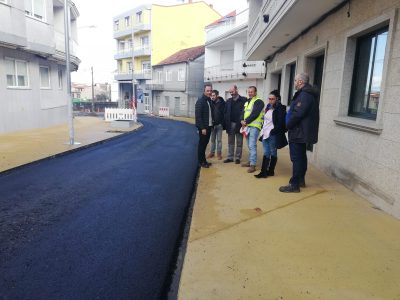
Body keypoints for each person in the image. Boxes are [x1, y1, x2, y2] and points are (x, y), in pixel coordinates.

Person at [279, 73, 319, 192]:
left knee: (297, 159)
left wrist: (287, 125)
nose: (294, 82)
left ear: (301, 82)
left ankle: (294, 185)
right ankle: (300, 180)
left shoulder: (304, 95)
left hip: (298, 132)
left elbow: (297, 114)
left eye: (295, 80)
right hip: (301, 132)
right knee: (301, 157)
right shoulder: (307, 94)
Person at [254, 90, 288, 178]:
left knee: (272, 152)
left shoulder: (280, 108)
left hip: (273, 134)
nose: (270, 101)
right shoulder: (268, 107)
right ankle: (264, 172)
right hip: (265, 133)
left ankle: (269, 171)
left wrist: (273, 131)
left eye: (272, 99)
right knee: (266, 152)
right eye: (269, 99)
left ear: (277, 99)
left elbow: (281, 123)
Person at [241, 86, 264, 173]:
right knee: (249, 145)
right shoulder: (247, 102)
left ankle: (253, 165)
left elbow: (255, 114)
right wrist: (241, 120)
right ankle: (250, 161)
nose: (250, 93)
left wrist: (245, 121)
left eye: (252, 92)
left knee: (252, 145)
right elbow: (242, 112)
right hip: (246, 126)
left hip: (254, 126)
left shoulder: (259, 102)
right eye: (249, 92)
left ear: (255, 92)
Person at [223, 85, 247, 164]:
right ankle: (230, 157)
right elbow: (225, 112)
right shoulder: (228, 101)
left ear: (236, 90)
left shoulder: (244, 100)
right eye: (230, 92)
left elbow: (246, 112)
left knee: (239, 142)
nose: (231, 94)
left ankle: (237, 158)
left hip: (239, 124)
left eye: (232, 92)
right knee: (230, 142)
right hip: (230, 124)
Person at [195, 84, 214, 168]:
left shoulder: (209, 100)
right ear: (204, 91)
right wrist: (202, 128)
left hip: (209, 126)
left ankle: (204, 160)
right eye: (208, 91)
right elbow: (198, 116)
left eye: (210, 90)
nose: (209, 92)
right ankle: (201, 162)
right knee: (202, 145)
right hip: (204, 128)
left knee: (205, 144)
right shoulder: (200, 101)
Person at [208, 90, 225, 160]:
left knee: (219, 140)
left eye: (214, 95)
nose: (212, 97)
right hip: (212, 125)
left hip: (219, 125)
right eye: (211, 95)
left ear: (217, 95)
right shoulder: (209, 103)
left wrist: (222, 123)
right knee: (212, 140)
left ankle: (219, 154)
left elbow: (224, 114)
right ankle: (212, 153)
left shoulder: (222, 103)